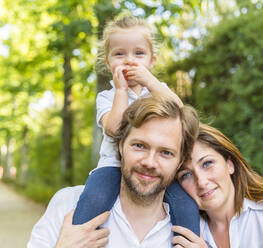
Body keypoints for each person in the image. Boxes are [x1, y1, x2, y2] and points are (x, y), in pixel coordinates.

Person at [73, 14, 199, 237]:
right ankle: (79, 238)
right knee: (94, 199)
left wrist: (149, 81)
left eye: (139, 53)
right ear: (108, 61)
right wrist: (121, 91)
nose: (129, 60)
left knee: (185, 205)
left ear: (152, 61)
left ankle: (188, 241)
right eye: (119, 54)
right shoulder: (107, 96)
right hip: (112, 166)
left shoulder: (156, 89)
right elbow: (115, 129)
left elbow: (180, 113)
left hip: (157, 168)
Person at [27, 95, 200, 248]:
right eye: (139, 146)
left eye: (166, 153)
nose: (150, 162)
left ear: (180, 162)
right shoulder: (68, 204)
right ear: (121, 146)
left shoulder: (195, 231)